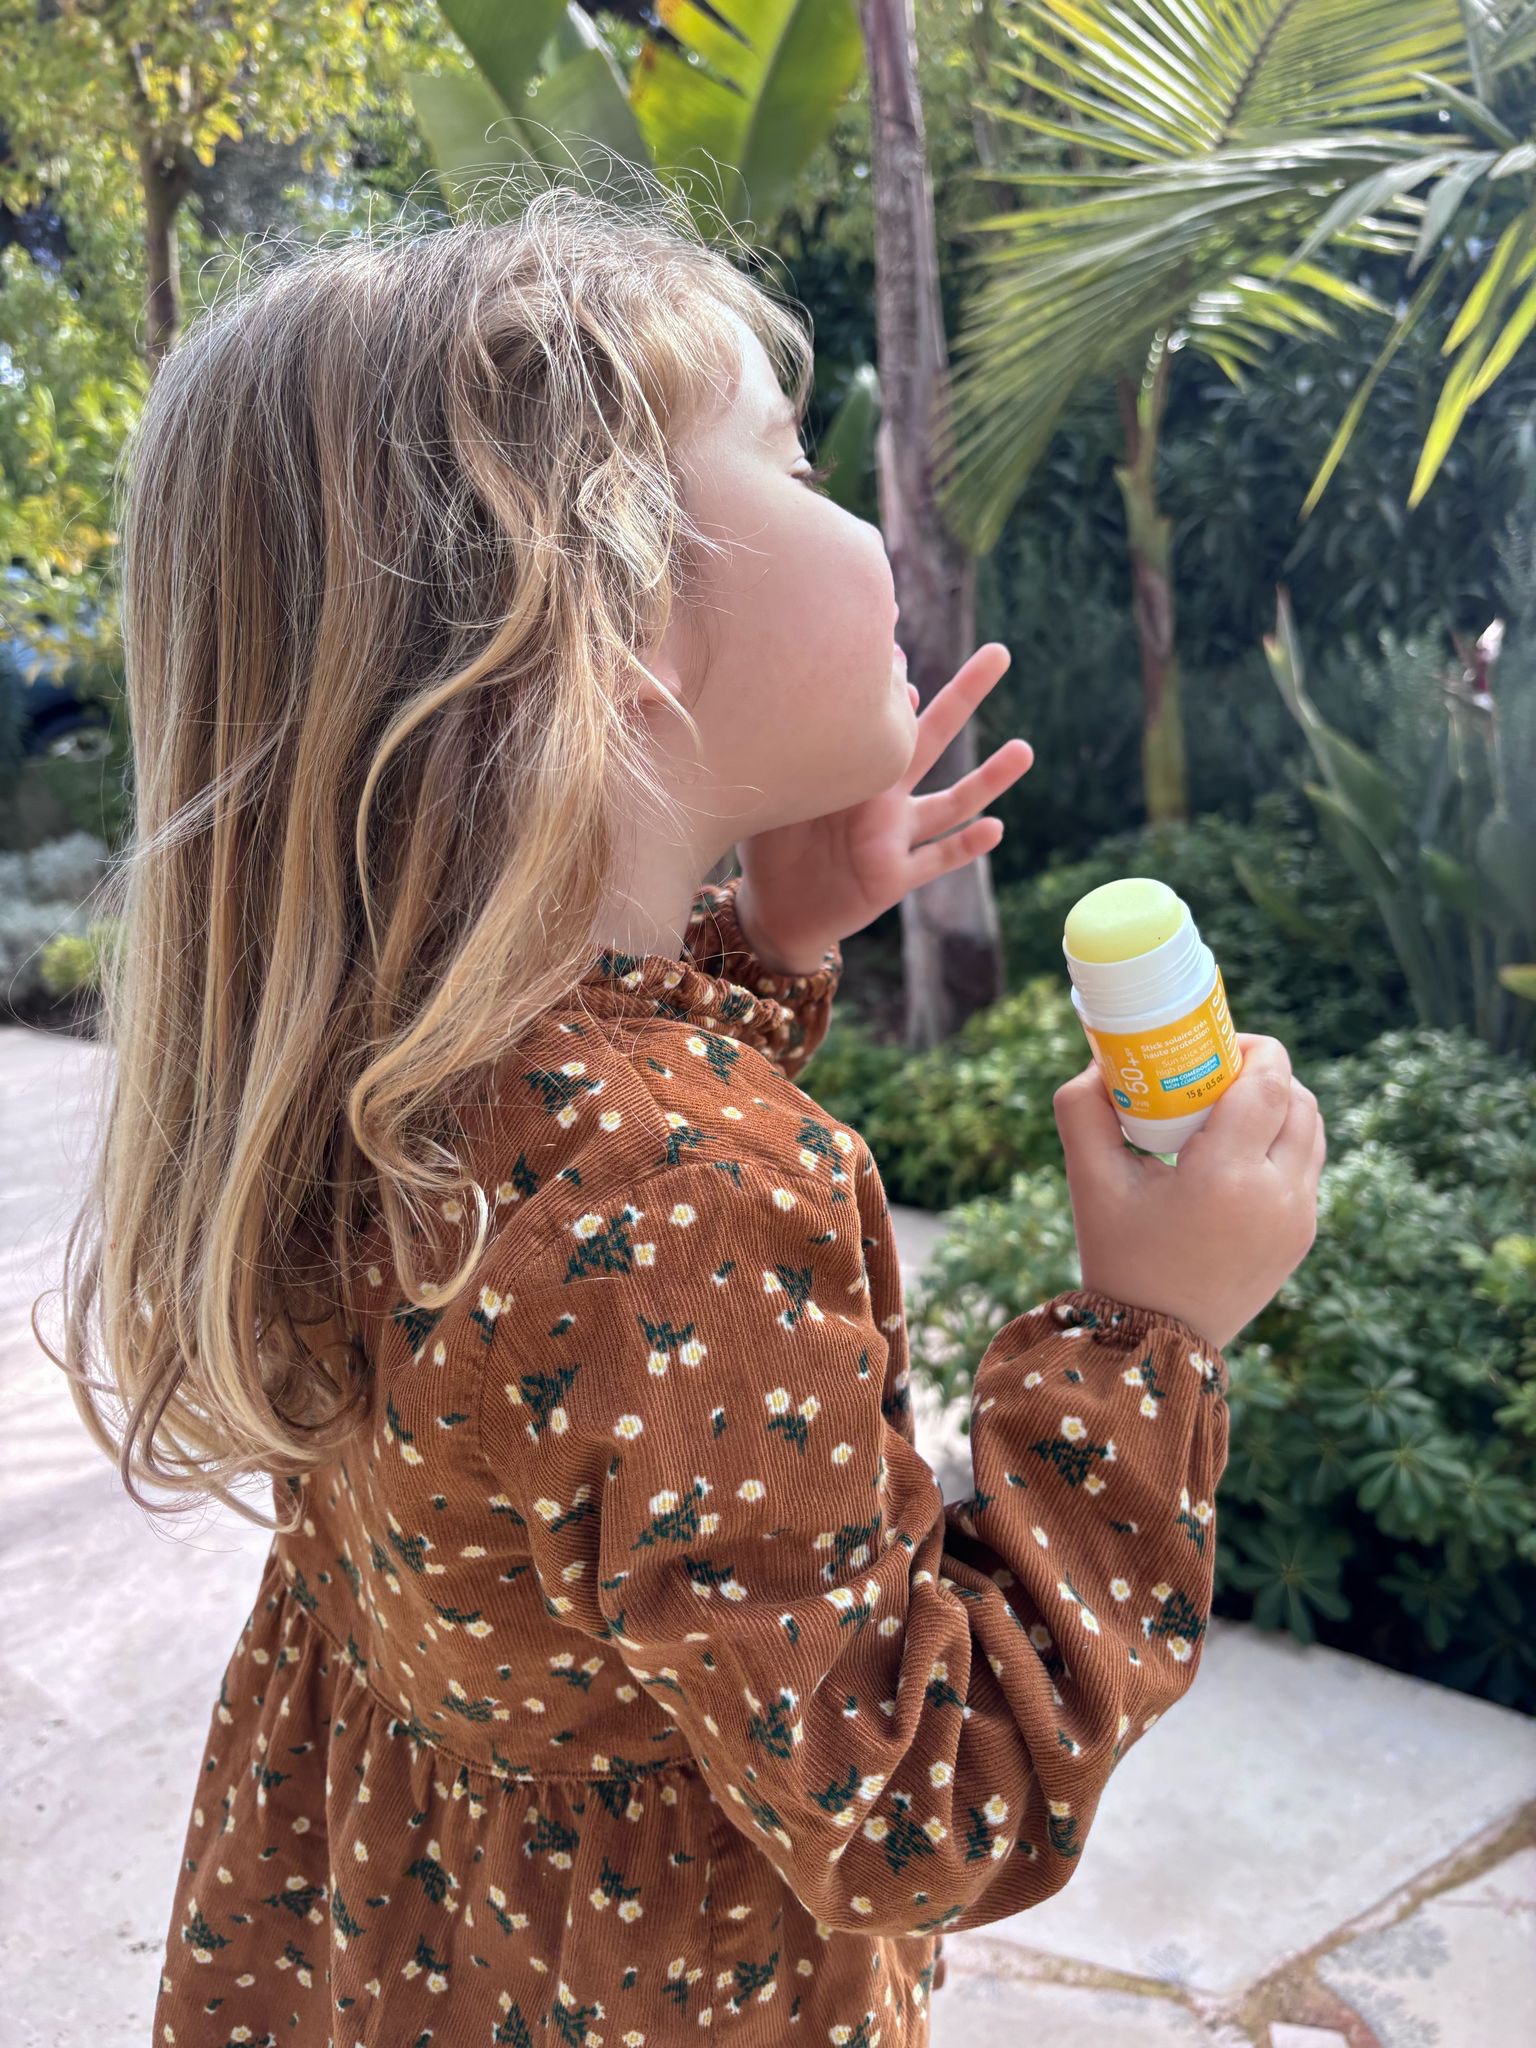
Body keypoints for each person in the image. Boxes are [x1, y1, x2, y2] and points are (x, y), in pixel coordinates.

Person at [47, 176, 1322, 2048]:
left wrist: (770, 936)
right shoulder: (683, 1190)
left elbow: (577, 1338)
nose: (864, 516)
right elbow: (921, 1797)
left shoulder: (366, 1058)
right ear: (609, 614)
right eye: (796, 461)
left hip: (407, 1936)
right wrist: (1151, 1333)